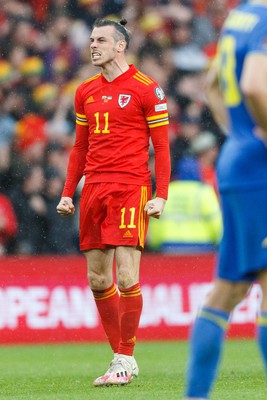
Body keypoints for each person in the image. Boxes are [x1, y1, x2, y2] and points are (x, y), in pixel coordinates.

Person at [56, 18, 170, 386]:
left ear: (120, 46)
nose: (93, 45)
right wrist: (67, 191)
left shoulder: (146, 89)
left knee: (126, 275)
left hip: (130, 187)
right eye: (91, 39)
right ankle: (121, 356)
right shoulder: (84, 91)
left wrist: (161, 194)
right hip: (93, 189)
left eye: (101, 40)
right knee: (97, 278)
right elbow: (79, 147)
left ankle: (124, 358)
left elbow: (162, 147)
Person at [184, 1, 267, 399]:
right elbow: (253, 84)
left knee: (227, 291)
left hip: (238, 160)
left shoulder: (242, 16)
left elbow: (214, 84)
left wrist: (238, 133)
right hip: (260, 169)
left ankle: (195, 396)